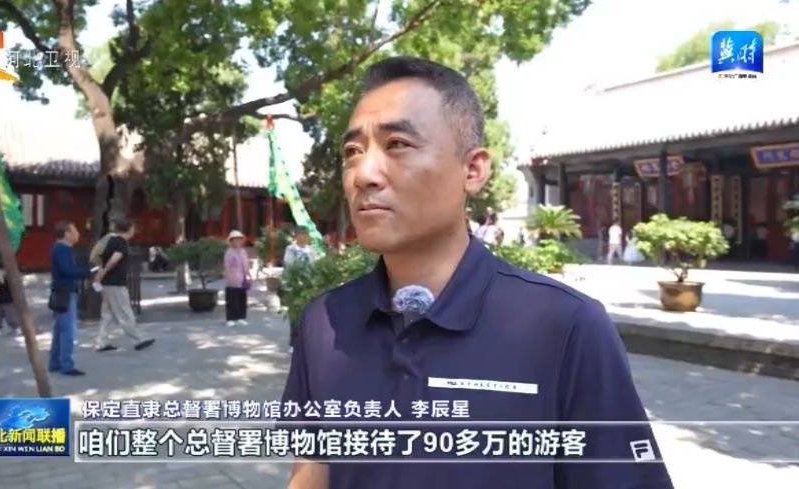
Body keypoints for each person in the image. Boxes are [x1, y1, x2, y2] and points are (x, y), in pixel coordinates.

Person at [281, 57, 673, 489]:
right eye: (352, 152)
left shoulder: (564, 326)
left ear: (472, 170)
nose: (364, 174)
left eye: (397, 144)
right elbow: (311, 473)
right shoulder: (324, 322)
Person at [94, 219, 155, 353]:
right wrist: (104, 271)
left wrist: (100, 275)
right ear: (129, 229)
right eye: (133, 228)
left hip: (106, 283)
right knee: (125, 312)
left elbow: (101, 260)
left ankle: (101, 342)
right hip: (116, 283)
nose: (134, 230)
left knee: (107, 314)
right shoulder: (121, 242)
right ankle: (139, 339)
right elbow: (114, 259)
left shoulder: (110, 241)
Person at [49, 221, 91, 376]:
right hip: (65, 292)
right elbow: (67, 270)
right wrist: (88, 271)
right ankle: (66, 364)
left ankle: (55, 362)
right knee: (68, 330)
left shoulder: (60, 248)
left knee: (60, 329)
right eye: (75, 231)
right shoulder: (62, 249)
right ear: (66, 234)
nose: (78, 234)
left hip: (62, 291)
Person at [282, 227, 318, 352]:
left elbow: (315, 265)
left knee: (309, 314)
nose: (303, 237)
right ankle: (294, 343)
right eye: (301, 235)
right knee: (295, 314)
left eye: (305, 235)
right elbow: (289, 265)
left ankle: (307, 342)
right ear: (296, 236)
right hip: (295, 285)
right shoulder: (290, 249)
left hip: (309, 286)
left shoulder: (311, 250)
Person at [223, 230, 251, 327]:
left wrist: (248, 275)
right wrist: (229, 276)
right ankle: (230, 318)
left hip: (242, 278)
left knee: (242, 299)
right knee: (232, 300)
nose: (238, 241)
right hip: (232, 278)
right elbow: (227, 266)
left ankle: (241, 317)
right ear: (231, 241)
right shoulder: (229, 252)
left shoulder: (243, 251)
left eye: (239, 239)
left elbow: (246, 264)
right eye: (235, 240)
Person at [0, 262, 21, 336]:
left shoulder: (9, 279)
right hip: (1, 300)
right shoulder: (0, 279)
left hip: (8, 300)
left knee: (10, 316)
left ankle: (16, 328)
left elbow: (10, 288)